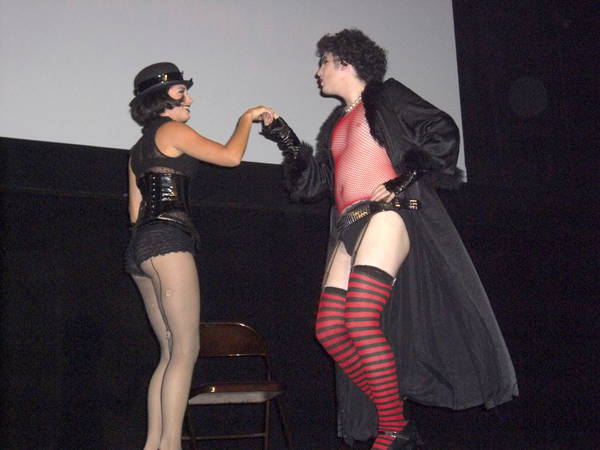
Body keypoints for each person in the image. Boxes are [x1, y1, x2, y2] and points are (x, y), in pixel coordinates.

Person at [261, 29, 518, 449]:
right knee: (329, 329)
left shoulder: (387, 98)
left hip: (387, 215)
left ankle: (393, 430)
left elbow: (441, 129)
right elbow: (314, 186)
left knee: (361, 321)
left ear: (345, 62)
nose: (318, 72)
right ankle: (394, 416)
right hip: (348, 226)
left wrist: (406, 176)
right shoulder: (336, 124)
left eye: (323, 62)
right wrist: (287, 140)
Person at [124, 62, 275, 450]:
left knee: (170, 353)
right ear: (160, 99)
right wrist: (246, 119)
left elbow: (134, 213)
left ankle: (155, 445)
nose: (189, 99)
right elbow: (230, 156)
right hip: (168, 241)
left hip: (141, 250)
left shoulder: (137, 150)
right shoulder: (172, 130)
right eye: (181, 93)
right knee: (186, 349)